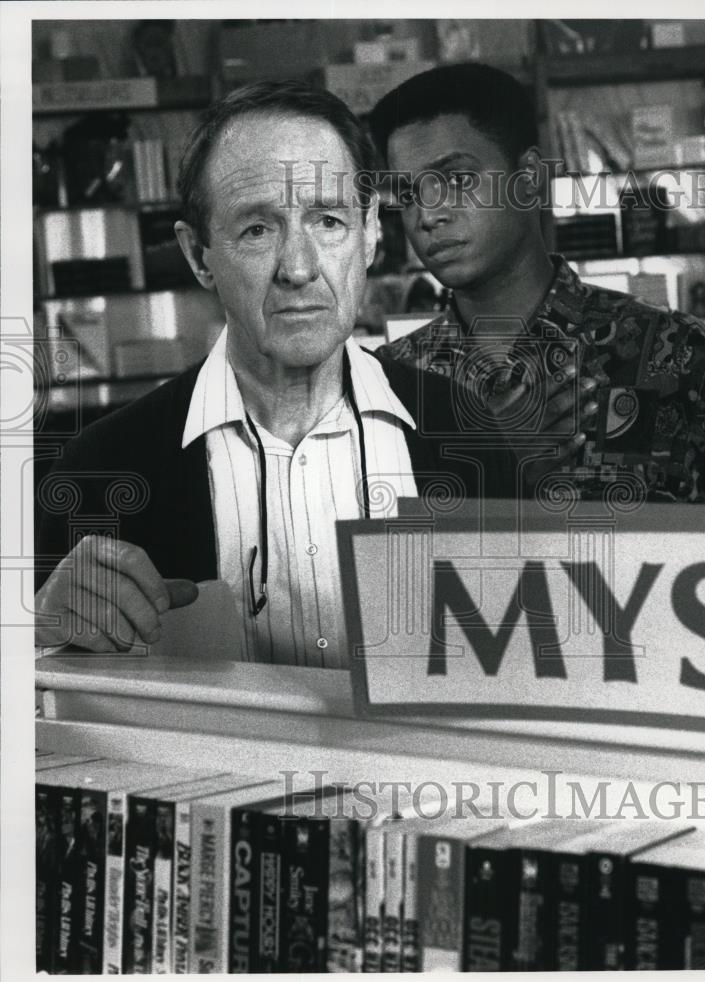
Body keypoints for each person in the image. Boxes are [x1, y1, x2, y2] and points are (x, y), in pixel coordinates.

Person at [35, 80, 513, 665]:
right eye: (257, 229)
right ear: (197, 255)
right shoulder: (98, 467)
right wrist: (37, 630)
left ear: (370, 234)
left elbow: (523, 667)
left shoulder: (465, 429)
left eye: (328, 221)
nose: (299, 267)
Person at [369, 62, 705, 504]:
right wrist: (491, 464)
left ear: (528, 178)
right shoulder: (384, 388)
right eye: (409, 193)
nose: (426, 216)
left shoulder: (685, 361)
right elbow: (375, 563)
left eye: (457, 180)